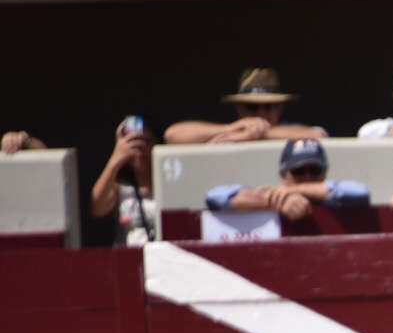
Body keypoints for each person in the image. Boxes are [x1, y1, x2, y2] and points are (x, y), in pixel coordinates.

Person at [205, 138, 369, 222]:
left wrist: (292, 190)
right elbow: (214, 196)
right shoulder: (271, 196)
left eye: (315, 170)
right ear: (284, 175)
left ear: (325, 172)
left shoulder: (332, 199)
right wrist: (276, 201)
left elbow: (361, 192)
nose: (308, 177)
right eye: (299, 171)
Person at [164, 68, 328, 145]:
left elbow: (318, 137)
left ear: (280, 108)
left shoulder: (291, 131)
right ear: (239, 108)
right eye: (252, 106)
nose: (261, 113)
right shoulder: (229, 134)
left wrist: (258, 134)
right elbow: (173, 135)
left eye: (269, 106)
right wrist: (231, 129)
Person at [89, 117, 157, 246]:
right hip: (127, 260)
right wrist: (117, 156)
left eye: (146, 141)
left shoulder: (168, 183)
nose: (139, 147)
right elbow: (97, 208)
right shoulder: (119, 185)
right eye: (133, 141)